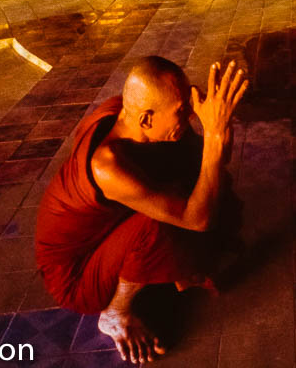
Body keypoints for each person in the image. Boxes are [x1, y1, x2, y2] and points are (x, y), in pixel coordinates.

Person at [36, 57, 248, 365]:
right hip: (74, 277)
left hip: (106, 237)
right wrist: (214, 134)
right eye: (182, 112)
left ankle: (163, 268)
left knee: (212, 185)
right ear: (147, 119)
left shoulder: (127, 112)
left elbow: (210, 161)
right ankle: (114, 313)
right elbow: (198, 219)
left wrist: (216, 122)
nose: (189, 115)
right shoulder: (107, 166)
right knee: (159, 225)